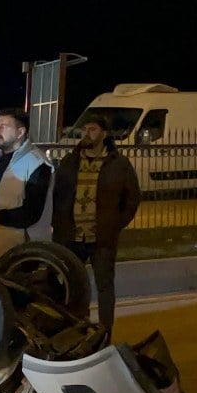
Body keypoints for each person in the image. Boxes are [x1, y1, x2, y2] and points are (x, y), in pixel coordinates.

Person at [53, 114, 141, 336]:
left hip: (101, 237)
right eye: (84, 130)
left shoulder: (118, 164)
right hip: (72, 237)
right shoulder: (70, 162)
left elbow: (132, 199)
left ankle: (104, 331)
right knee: (74, 285)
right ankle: (77, 328)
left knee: (104, 285)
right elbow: (57, 195)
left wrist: (115, 224)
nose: (86, 134)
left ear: (104, 133)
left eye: (92, 129)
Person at [0, 108, 54, 265]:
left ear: (20, 132)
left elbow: (31, 213)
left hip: (17, 253)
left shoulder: (37, 164)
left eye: (3, 126)